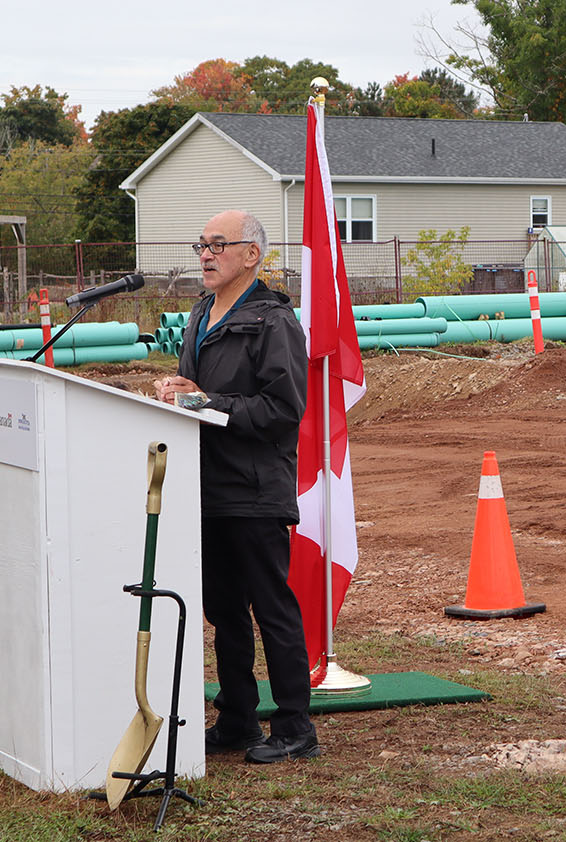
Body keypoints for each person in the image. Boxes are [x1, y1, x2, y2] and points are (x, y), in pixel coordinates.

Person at [154, 210, 318, 764]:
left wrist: (203, 402)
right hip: (207, 486)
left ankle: (296, 728)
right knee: (224, 611)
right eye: (201, 244)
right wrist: (180, 390)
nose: (205, 254)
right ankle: (238, 720)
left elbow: (282, 409)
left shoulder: (275, 322)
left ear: (252, 255)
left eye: (218, 245)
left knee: (271, 608)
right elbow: (199, 392)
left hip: (254, 488)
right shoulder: (201, 312)